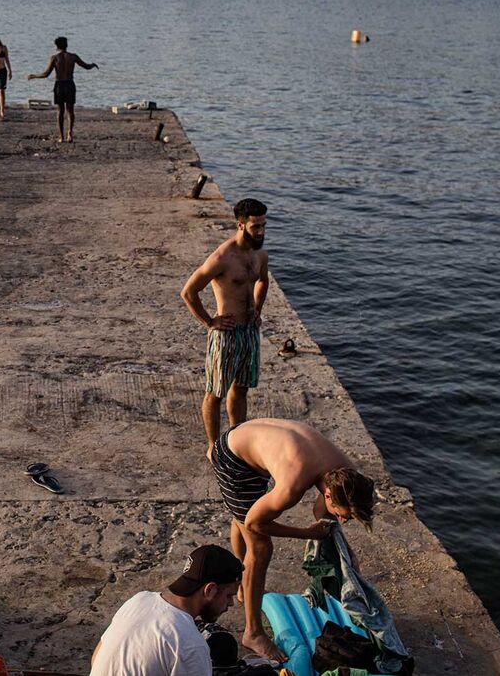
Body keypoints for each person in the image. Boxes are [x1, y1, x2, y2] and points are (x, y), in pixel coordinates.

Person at [211, 418, 376, 662]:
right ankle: (252, 633)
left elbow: (322, 513)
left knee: (241, 516)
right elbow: (254, 523)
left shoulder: (346, 474)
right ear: (328, 494)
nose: (343, 521)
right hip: (233, 460)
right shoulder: (293, 484)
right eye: (344, 516)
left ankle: (244, 587)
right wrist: (307, 533)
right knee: (260, 546)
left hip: (253, 440)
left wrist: (345, 550)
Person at [180, 198, 269, 463]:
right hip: (226, 334)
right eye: (255, 227)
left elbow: (263, 280)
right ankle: (212, 447)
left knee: (241, 388)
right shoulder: (222, 257)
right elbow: (189, 291)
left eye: (264, 225)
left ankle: (237, 441)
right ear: (240, 225)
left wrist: (258, 309)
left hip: (248, 333)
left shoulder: (259, 254)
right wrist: (210, 322)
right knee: (215, 392)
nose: (261, 232)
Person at [89, 545, 243, 676]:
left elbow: (97, 656)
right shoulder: (190, 645)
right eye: (229, 595)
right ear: (210, 590)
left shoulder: (140, 599)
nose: (231, 604)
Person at [27, 36, 97, 142]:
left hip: (59, 85)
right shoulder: (73, 57)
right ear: (66, 45)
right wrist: (93, 65)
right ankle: (70, 133)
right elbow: (86, 66)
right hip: (70, 84)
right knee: (70, 110)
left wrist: (34, 76)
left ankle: (61, 136)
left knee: (60, 111)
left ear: (56, 46)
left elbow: (46, 74)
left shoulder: (55, 58)